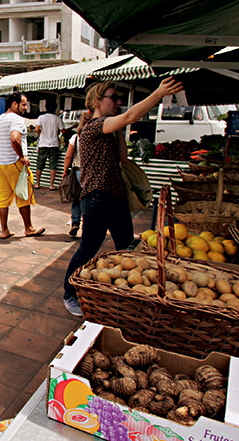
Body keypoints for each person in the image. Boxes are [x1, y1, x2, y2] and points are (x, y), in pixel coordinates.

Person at [61, 77, 183, 317]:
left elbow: (123, 158)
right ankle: (70, 294)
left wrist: (119, 131)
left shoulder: (108, 129)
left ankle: (126, 293)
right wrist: (158, 94)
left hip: (115, 198)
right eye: (113, 98)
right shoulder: (94, 126)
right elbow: (130, 116)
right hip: (97, 198)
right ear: (97, 101)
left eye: (119, 99)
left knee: (126, 248)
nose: (118, 102)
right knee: (87, 250)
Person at [0, 92, 45, 240]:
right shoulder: (16, 119)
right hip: (14, 162)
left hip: (1, 163)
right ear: (14, 104)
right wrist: (22, 156)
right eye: (23, 104)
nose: (25, 108)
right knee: (23, 195)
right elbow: (14, 138)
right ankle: (28, 228)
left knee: (3, 198)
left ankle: (4, 230)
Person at [62, 112, 91, 238]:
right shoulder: (95, 136)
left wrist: (65, 171)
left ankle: (75, 222)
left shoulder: (76, 138)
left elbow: (68, 156)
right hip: (91, 173)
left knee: (76, 198)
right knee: (88, 199)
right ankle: (87, 226)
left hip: (77, 171)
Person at [35, 101, 68, 190]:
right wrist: (72, 127)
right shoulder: (57, 118)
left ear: (45, 108)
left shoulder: (41, 117)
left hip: (43, 144)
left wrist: (42, 133)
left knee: (39, 164)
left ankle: (37, 184)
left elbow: (36, 129)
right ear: (55, 109)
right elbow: (63, 131)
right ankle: (51, 185)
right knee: (53, 165)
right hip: (54, 144)